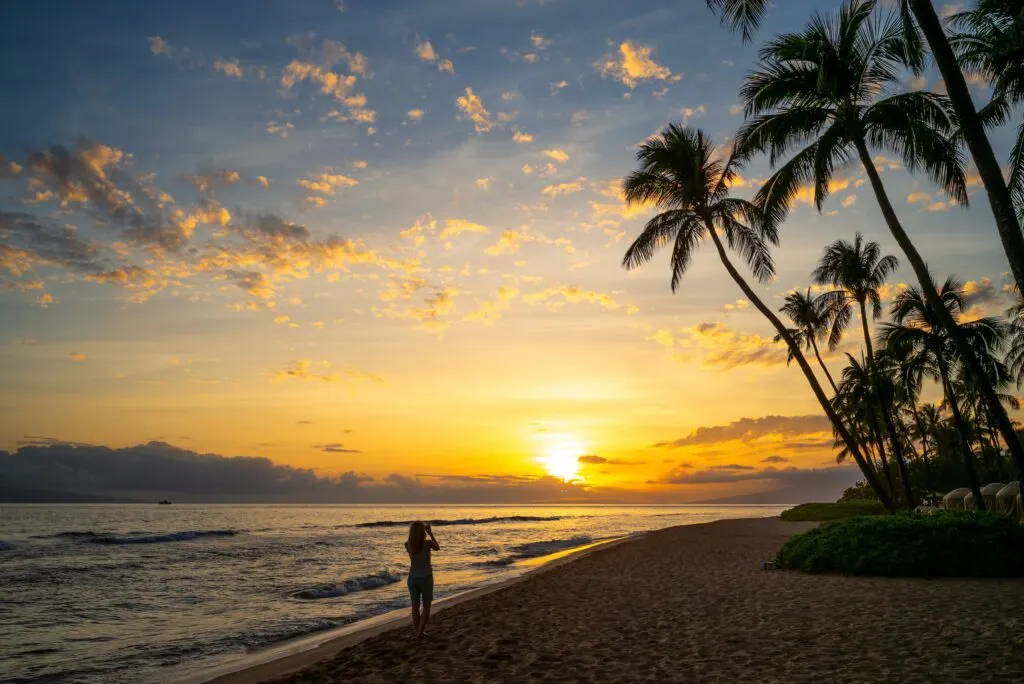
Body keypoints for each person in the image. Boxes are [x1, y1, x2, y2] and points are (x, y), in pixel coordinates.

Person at [405, 520, 439, 638]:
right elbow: (437, 548)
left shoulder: (407, 544)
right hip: (426, 578)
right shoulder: (428, 544)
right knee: (426, 607)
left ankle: (418, 633)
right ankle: (419, 634)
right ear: (422, 532)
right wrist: (430, 533)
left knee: (415, 607)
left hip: (412, 578)